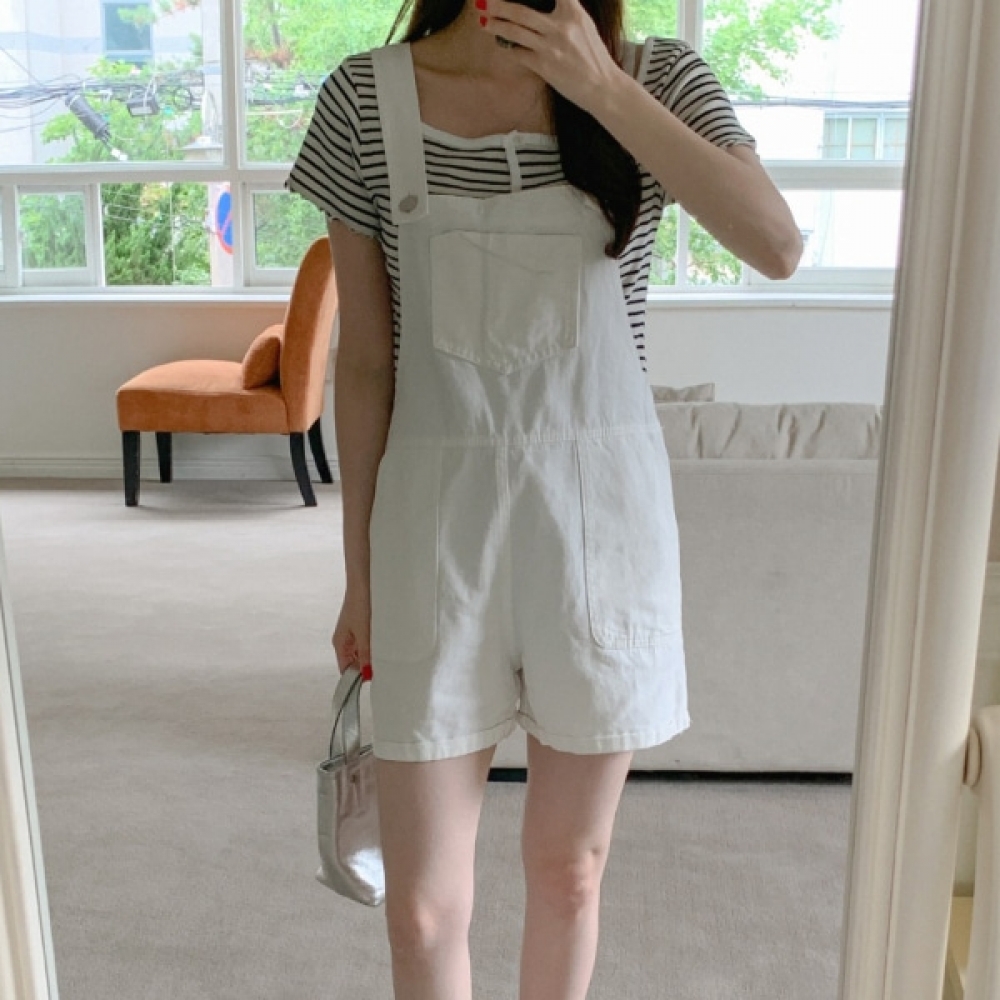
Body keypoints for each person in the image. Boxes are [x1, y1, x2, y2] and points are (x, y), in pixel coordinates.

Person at [286, 1, 802, 996]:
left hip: (601, 528)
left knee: (569, 871)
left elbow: (775, 244)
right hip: (431, 529)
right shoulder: (366, 98)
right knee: (420, 908)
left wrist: (600, 87)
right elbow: (366, 364)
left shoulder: (654, 79)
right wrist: (359, 576)